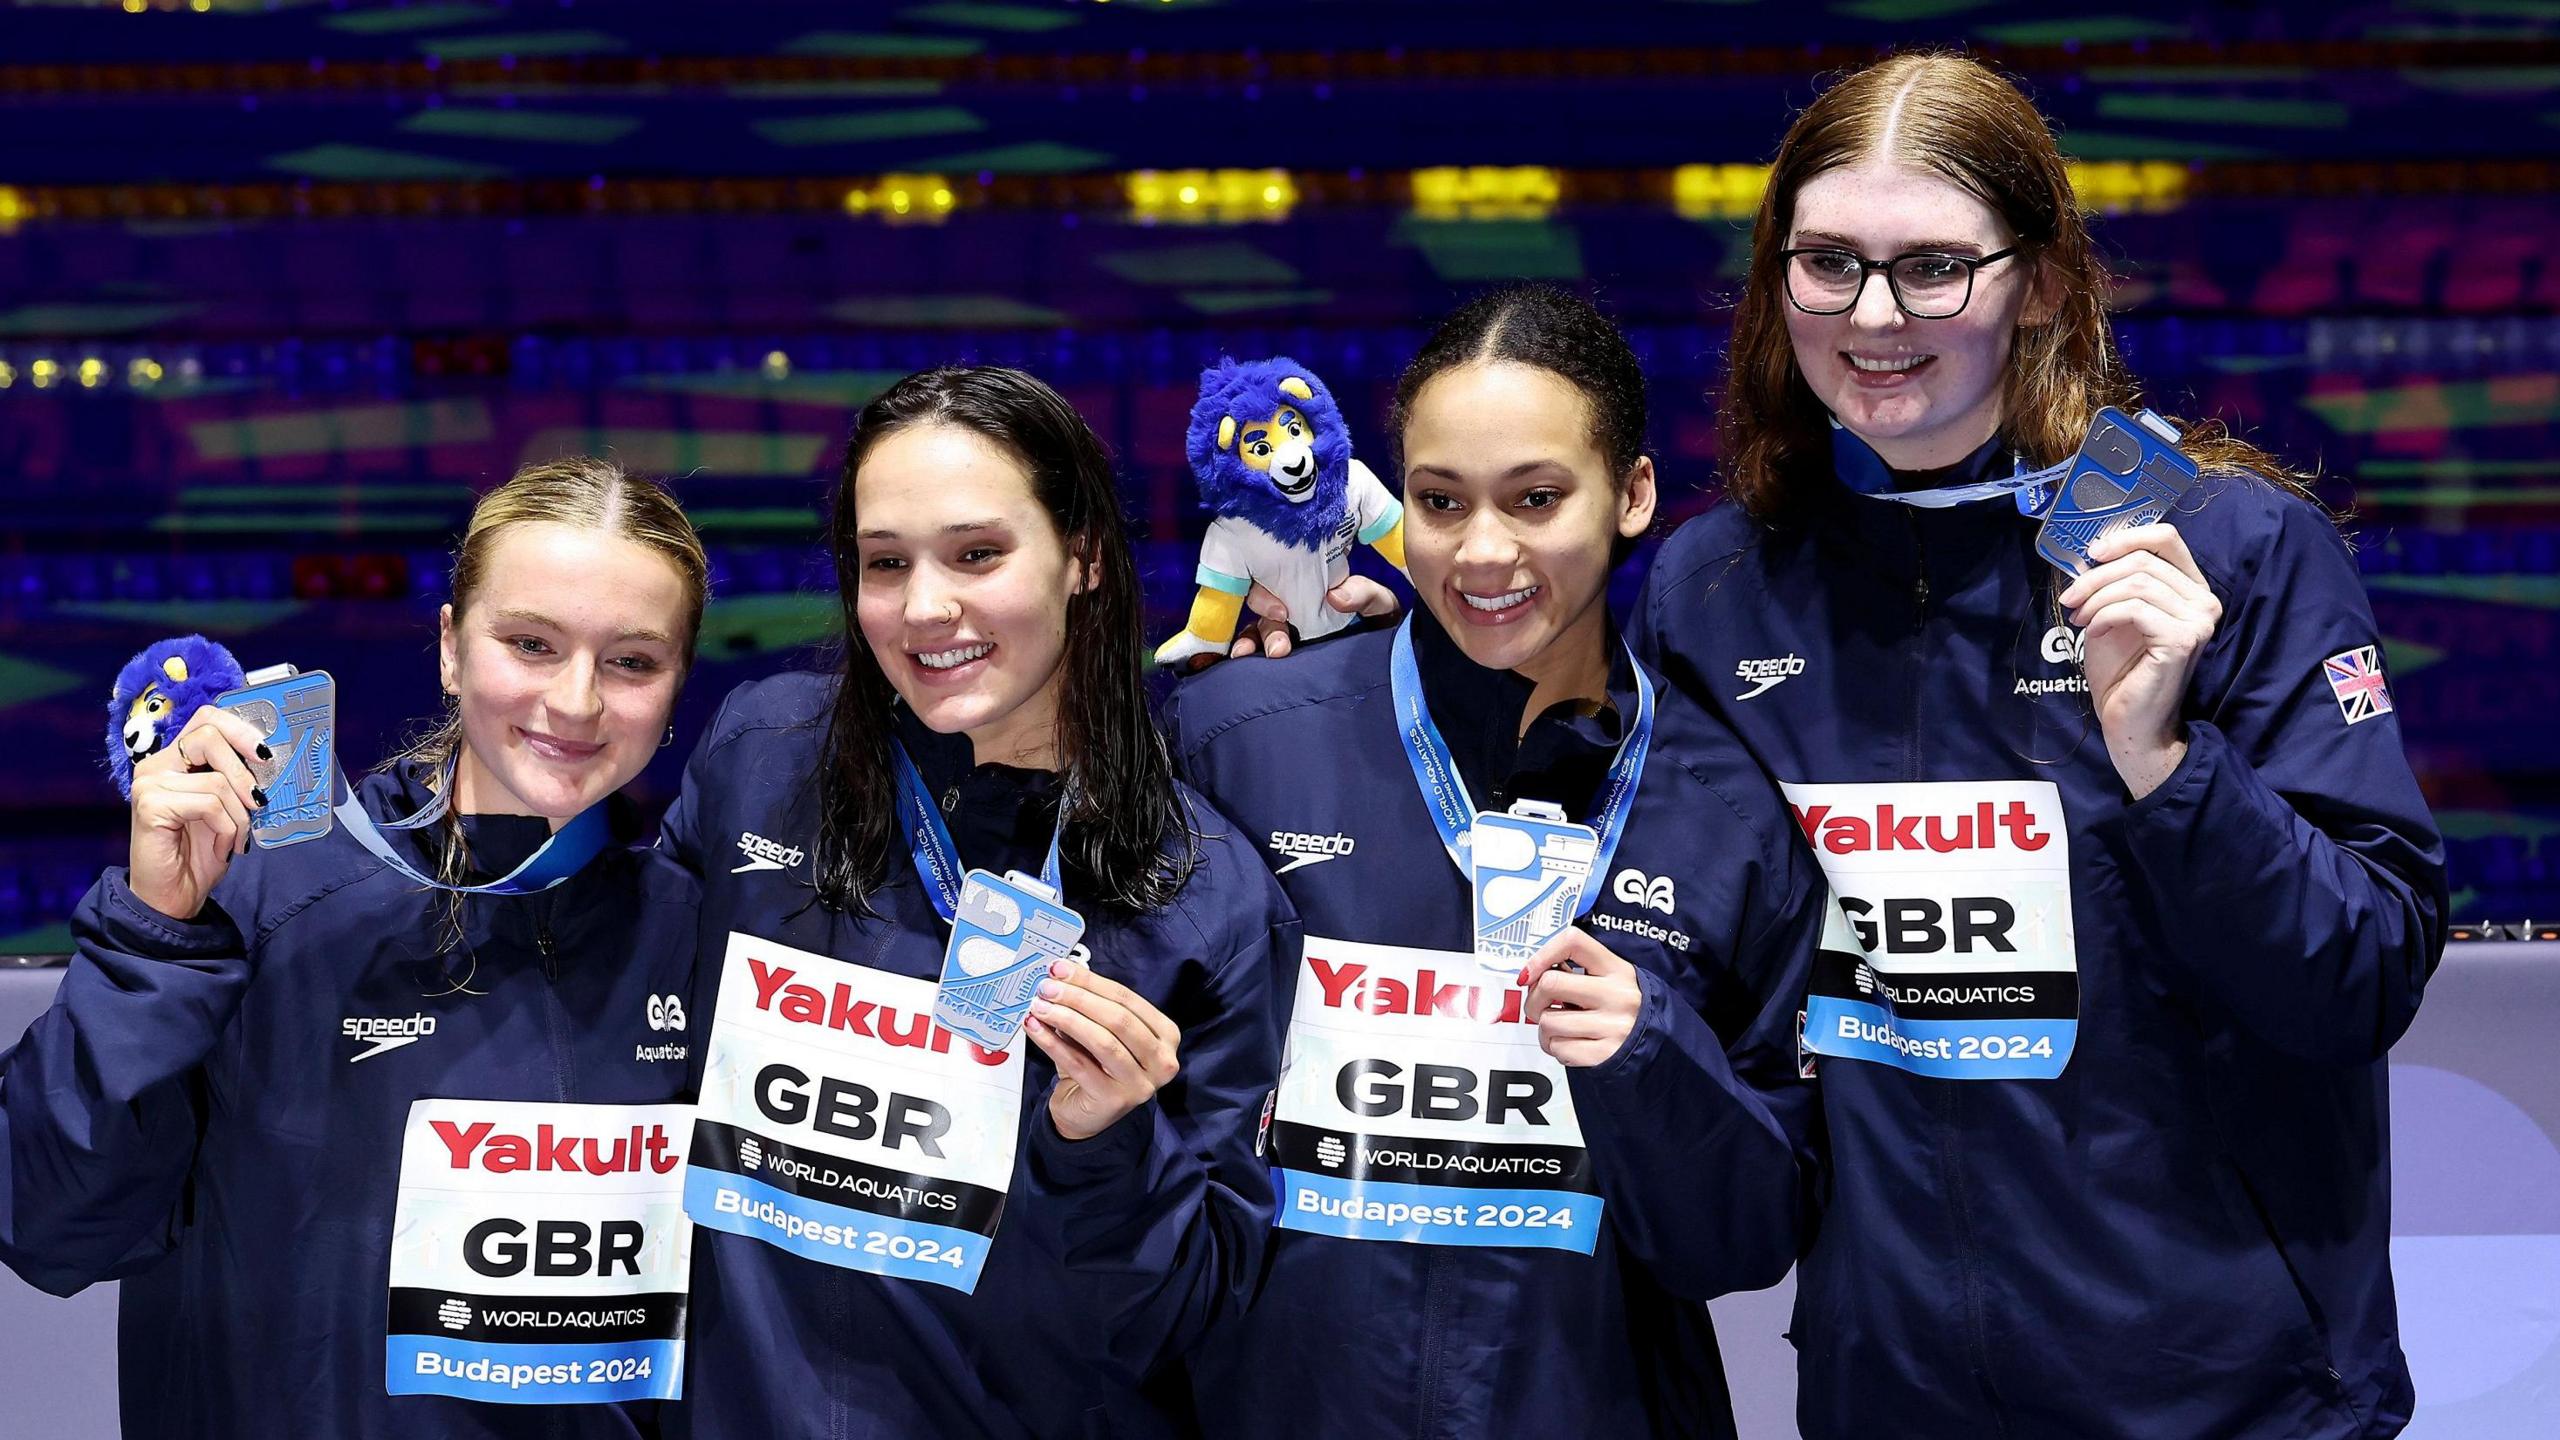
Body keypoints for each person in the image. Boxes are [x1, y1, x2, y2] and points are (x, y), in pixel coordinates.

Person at [1633, 52, 2449, 1439]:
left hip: (2227, 1402)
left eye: (1936, 266)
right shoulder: (1717, 592)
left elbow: (2362, 974)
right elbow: (1696, 973)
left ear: (2047, 283)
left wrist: (2171, 769)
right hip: (1887, 1397)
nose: (1875, 315)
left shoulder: (2230, 551)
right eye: (1825, 261)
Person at [1167, 285, 1827, 1440]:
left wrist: (1651, 1052)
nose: (1482, 551)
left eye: (1535, 498)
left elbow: (1745, 1241)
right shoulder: (1237, 742)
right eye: (1439, 501)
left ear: (1630, 495)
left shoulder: (1725, 811)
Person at [0, 457, 712, 1437]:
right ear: (452, 649)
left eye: (633, 660)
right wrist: (156, 933)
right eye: (531, 644)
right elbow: (53, 1230)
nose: (578, 701)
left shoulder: (689, 933)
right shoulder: (262, 887)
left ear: (676, 687)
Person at [654, 365, 1295, 1439]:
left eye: (977, 554)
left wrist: (1106, 1147)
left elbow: (1187, 1327)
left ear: (1082, 556)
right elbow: (590, 979)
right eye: (884, 563)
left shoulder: (1204, 895)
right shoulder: (763, 760)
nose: (925, 607)